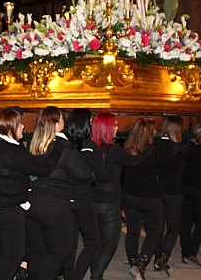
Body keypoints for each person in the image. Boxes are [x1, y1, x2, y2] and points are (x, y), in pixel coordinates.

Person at [0, 107, 62, 280]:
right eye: (19, 125)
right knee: (14, 254)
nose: (23, 127)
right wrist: (59, 145)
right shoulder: (12, 152)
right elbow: (43, 169)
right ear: (10, 131)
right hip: (5, 209)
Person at [25, 106, 91, 280]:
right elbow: (83, 175)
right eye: (62, 118)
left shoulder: (34, 144)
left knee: (37, 250)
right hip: (54, 204)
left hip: (31, 201)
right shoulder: (64, 147)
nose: (64, 121)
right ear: (55, 123)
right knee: (60, 252)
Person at [87, 112, 149, 280]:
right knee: (109, 243)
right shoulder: (113, 150)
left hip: (91, 201)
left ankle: (95, 272)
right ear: (107, 128)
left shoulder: (89, 147)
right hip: (109, 202)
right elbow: (133, 161)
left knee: (97, 241)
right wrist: (149, 150)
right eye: (114, 125)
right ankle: (96, 275)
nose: (117, 127)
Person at [121, 117, 164, 280]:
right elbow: (167, 166)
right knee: (154, 231)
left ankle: (133, 263)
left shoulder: (126, 149)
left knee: (133, 231)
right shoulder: (152, 151)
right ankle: (141, 265)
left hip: (128, 196)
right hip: (149, 197)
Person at [62, 108, 100, 280]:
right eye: (90, 122)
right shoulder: (89, 146)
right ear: (84, 124)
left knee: (71, 243)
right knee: (93, 241)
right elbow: (101, 175)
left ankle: (69, 276)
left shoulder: (64, 144)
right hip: (83, 198)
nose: (92, 125)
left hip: (65, 197)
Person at [153, 115, 186, 272]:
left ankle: (157, 256)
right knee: (173, 227)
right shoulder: (181, 148)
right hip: (175, 192)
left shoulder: (155, 144)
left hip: (158, 190)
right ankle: (165, 255)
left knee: (158, 227)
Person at [179, 123, 201, 268]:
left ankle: (186, 252)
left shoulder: (186, 149)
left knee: (185, 222)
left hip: (185, 187)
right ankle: (192, 251)